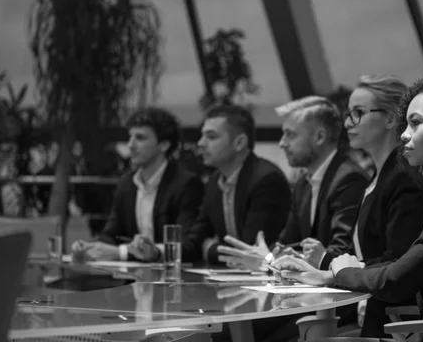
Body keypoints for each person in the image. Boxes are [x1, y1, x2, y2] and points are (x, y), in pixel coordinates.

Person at [273, 73, 423, 342]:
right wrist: (330, 274)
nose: (403, 134)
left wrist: (339, 273)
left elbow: (396, 280)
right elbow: (402, 268)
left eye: (415, 124)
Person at [308, 75, 423, 337]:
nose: (347, 123)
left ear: (389, 119)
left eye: (358, 113)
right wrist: (325, 263)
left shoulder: (404, 179)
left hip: (394, 323)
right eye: (348, 114)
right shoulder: (381, 176)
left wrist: (328, 267)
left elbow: (398, 259)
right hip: (374, 309)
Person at [217, 96, 368, 271]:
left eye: (290, 134)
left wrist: (268, 260)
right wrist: (269, 256)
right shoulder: (304, 182)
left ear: (319, 137)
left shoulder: (349, 180)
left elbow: (341, 254)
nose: (282, 143)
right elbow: (286, 244)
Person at [72, 107, 205, 263]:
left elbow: (189, 247)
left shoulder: (186, 184)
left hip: (174, 279)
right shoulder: (126, 184)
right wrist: (92, 247)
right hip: (135, 278)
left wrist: (127, 252)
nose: (130, 145)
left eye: (140, 138)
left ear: (163, 145)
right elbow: (111, 235)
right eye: (130, 137)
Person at [196, 105, 291, 265]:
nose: (200, 143)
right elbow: (197, 237)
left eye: (211, 137)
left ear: (239, 142)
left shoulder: (266, 179)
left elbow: (251, 251)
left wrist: (209, 248)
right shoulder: (215, 181)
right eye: (202, 136)